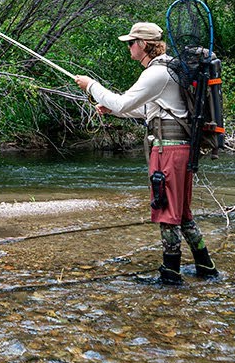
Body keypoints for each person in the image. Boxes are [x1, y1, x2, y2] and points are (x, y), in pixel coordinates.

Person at [73, 21, 219, 285]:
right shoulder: (171, 68)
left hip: (168, 151)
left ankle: (170, 274)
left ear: (142, 44)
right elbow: (148, 110)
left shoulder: (157, 73)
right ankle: (206, 267)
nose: (128, 47)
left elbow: (124, 101)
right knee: (183, 213)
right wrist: (112, 109)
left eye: (131, 43)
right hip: (180, 150)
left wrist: (91, 85)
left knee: (165, 210)